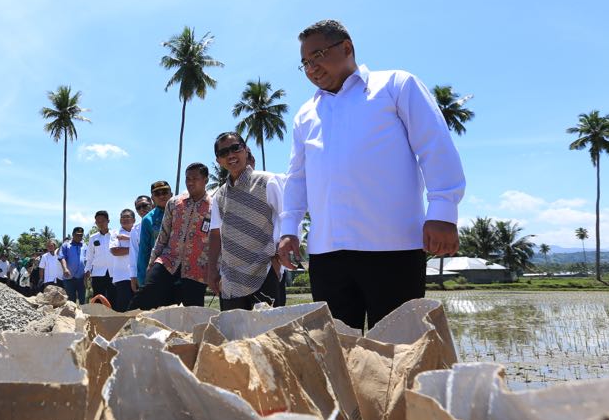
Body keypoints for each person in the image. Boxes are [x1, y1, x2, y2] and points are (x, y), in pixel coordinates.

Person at [276, 19, 465, 330]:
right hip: (327, 255)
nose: (311, 68)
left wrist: (443, 210)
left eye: (318, 55)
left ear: (347, 48)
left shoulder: (395, 86)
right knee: (336, 352)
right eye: (305, 63)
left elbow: (434, 145)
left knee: (399, 351)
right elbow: (297, 177)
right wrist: (289, 229)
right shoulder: (305, 114)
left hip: (393, 248)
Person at [207, 132, 287, 311]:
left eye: (235, 148)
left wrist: (277, 262)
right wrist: (212, 270)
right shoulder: (219, 195)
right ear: (219, 160)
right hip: (230, 280)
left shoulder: (267, 181)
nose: (231, 155)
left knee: (268, 336)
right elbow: (215, 234)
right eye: (224, 152)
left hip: (265, 273)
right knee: (235, 337)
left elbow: (286, 217)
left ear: (245, 149)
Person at [131, 164, 211, 309]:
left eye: (195, 178)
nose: (190, 182)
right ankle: (126, 328)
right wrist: (151, 265)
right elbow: (163, 237)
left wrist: (214, 271)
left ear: (206, 180)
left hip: (196, 267)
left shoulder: (214, 207)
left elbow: (215, 241)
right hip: (168, 260)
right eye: (187, 179)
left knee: (192, 311)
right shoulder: (174, 204)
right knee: (145, 297)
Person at [135, 182, 172, 289]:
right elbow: (144, 250)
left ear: (171, 194)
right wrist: (142, 279)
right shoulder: (148, 219)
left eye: (165, 192)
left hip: (181, 272)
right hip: (159, 271)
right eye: (157, 194)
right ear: (152, 198)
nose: (161, 196)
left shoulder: (182, 213)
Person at [108, 209, 137, 311]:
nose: (124, 219)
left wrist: (129, 238)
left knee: (137, 306)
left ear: (134, 219)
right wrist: (135, 247)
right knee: (124, 307)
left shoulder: (138, 230)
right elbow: (115, 251)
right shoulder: (115, 233)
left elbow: (146, 246)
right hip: (122, 276)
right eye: (122, 217)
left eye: (127, 217)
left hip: (138, 275)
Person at [86, 211, 115, 303]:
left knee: (113, 297)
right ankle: (98, 317)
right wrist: (87, 270)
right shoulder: (93, 237)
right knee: (98, 298)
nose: (100, 223)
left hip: (113, 272)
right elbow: (89, 256)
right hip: (98, 272)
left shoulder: (115, 235)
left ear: (108, 221)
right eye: (98, 221)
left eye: (103, 221)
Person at [128, 195, 152, 293]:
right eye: (138, 207)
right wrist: (133, 276)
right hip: (144, 274)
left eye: (144, 205)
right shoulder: (135, 230)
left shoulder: (165, 221)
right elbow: (133, 255)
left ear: (152, 204)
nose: (141, 209)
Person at [58, 227, 87, 304]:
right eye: (77, 235)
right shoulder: (65, 245)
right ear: (73, 235)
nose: (79, 237)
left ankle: (83, 315)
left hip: (81, 278)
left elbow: (88, 259)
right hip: (69, 278)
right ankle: (71, 315)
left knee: (83, 300)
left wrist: (88, 271)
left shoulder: (84, 246)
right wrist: (65, 269)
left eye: (81, 235)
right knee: (71, 301)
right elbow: (61, 257)